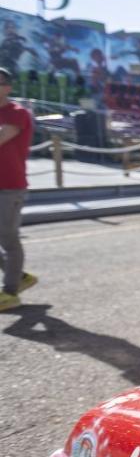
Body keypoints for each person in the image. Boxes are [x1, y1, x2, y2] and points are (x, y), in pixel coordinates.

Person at [0, 66, 37, 311]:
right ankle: (19, 277)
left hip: (9, 186)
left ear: (8, 87)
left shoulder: (17, 112)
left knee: (8, 239)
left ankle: (10, 291)